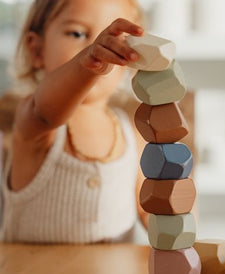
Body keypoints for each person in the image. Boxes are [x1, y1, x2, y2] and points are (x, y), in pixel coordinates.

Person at [0, 0, 149, 243]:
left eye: (117, 42)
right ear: (37, 51)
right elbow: (46, 110)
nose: (99, 46)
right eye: (78, 33)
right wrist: (86, 63)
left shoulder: (131, 134)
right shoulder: (35, 121)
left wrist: (177, 218)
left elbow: (150, 205)